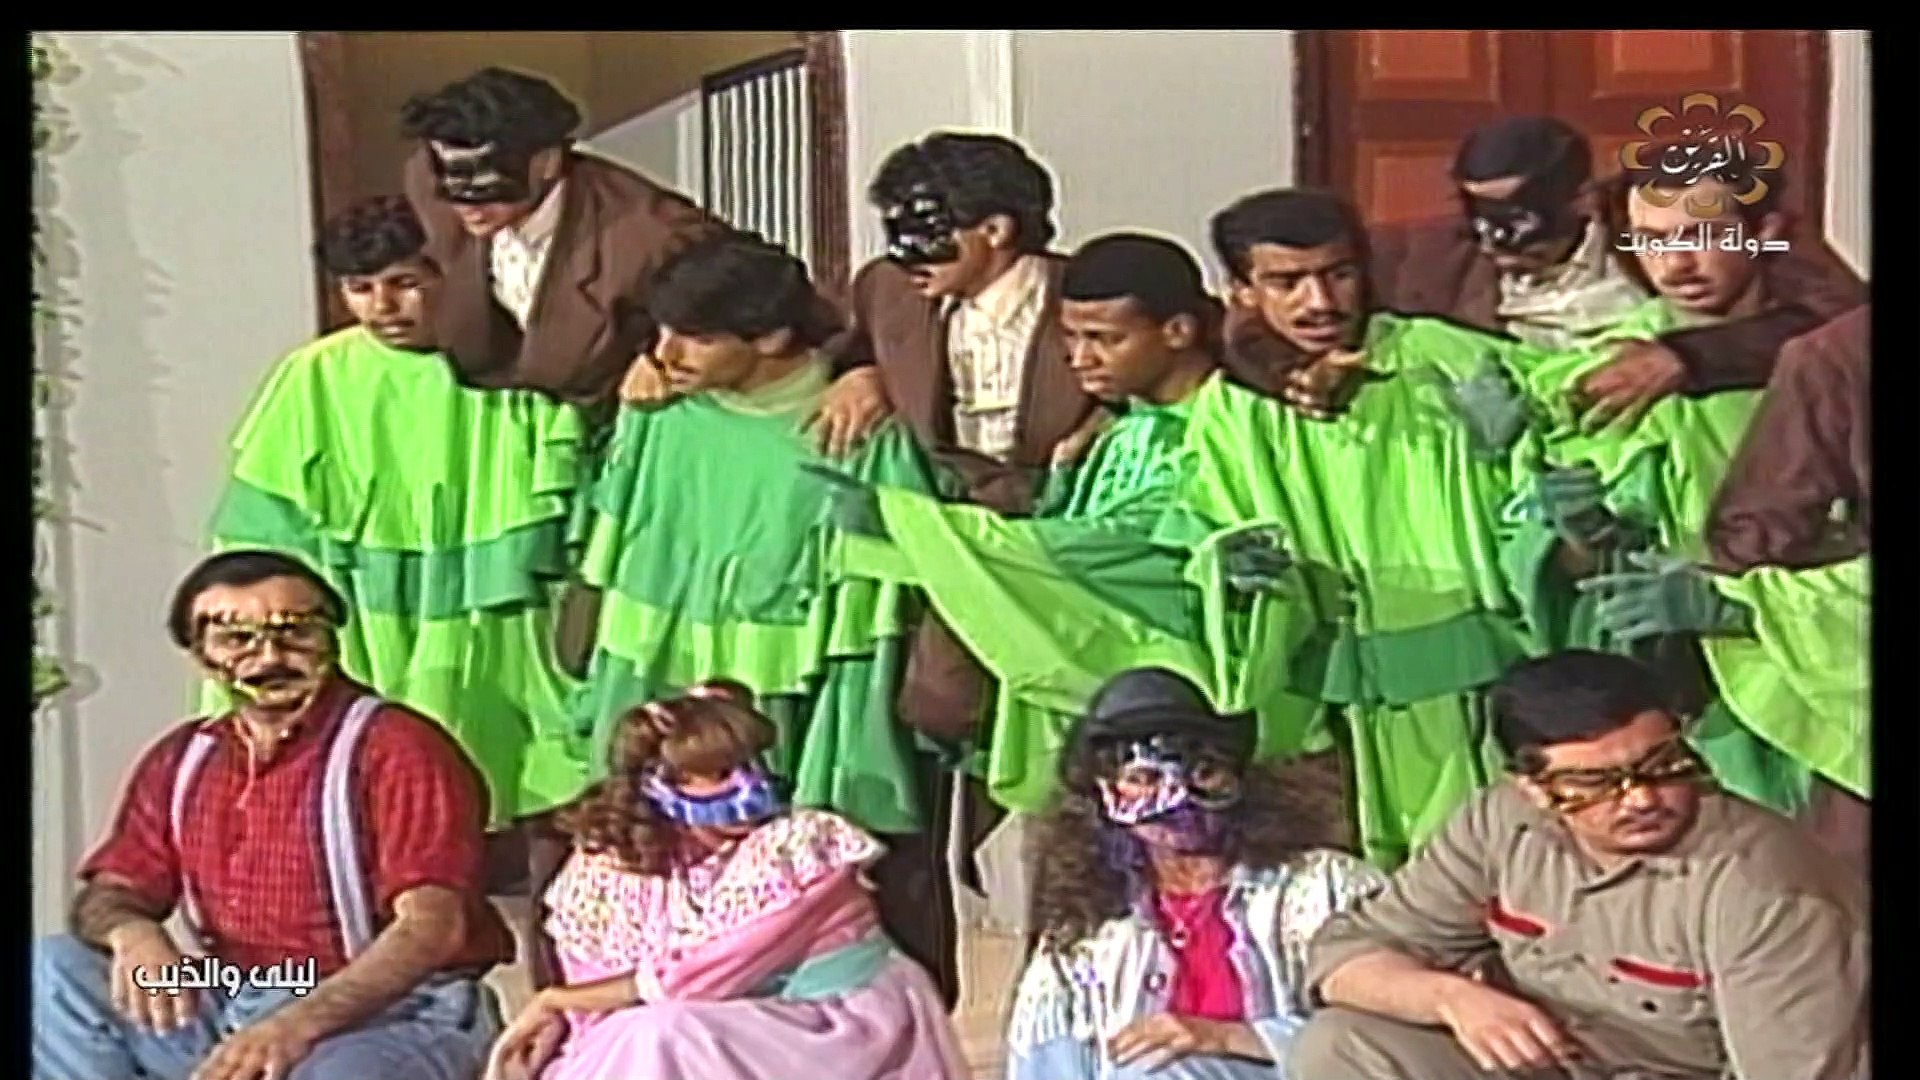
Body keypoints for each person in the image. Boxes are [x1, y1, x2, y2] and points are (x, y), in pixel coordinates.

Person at [554, 231, 945, 984]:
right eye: (662, 330)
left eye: (695, 336)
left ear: (769, 336)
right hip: (658, 693)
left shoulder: (856, 428)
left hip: (790, 706)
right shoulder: (658, 412)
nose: (666, 353)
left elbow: (879, 609)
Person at [822, 232, 1316, 816]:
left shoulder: (1233, 423)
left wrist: (918, 527)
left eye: (1105, 339)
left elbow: (1123, 551)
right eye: (1072, 338)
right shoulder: (1120, 430)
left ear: (1177, 331)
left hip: (1199, 711)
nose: (1080, 358)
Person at [814, 130, 1107, 997]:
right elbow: (840, 341)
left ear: (998, 230)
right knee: (914, 766)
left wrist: (1110, 422)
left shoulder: (1086, 293)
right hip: (935, 556)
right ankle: (913, 1009)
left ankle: (1067, 998)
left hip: (1055, 561)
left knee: (1065, 789)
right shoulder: (886, 292)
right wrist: (860, 372)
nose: (908, 256)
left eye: (927, 233)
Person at [34, 550, 512, 1080]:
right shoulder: (184, 758)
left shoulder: (398, 748)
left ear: (332, 637)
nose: (269, 656)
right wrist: (132, 933)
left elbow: (432, 927)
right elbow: (111, 891)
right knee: (57, 970)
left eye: (296, 633)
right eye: (236, 639)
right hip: (235, 993)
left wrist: (294, 1027)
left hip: (392, 1009)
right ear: (200, 656)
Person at [1291, 650, 1868, 1080]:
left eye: (1660, 765)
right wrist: (1453, 999)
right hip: (1558, 1066)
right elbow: (1345, 959)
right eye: (1596, 783)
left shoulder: (1766, 887)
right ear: (1532, 788)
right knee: (1342, 1044)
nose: (1641, 799)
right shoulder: (1500, 822)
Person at [1188, 188, 1546, 869]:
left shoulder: (1444, 359)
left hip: (1466, 673)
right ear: (1241, 292)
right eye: (1287, 282)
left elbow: (1569, 416)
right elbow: (1205, 520)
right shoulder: (1230, 408)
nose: (1320, 302)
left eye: (1339, 273)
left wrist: (1521, 440)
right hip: (1327, 689)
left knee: (1485, 866)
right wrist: (1224, 563)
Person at [207, 196, 580, 830]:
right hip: (359, 613)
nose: (383, 306)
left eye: (404, 283)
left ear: (450, 275)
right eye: (360, 288)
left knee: (506, 783)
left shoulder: (514, 366)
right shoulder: (314, 376)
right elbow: (260, 526)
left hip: (491, 611)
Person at [1488, 156, 1819, 816]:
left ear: (1766, 233)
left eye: (1704, 236)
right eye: (1653, 239)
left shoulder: (1829, 367)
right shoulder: (1601, 372)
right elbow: (1554, 567)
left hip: (1807, 684)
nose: (1676, 263)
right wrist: (1581, 537)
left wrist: (1742, 608)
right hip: (1668, 709)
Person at [1221, 115, 1863, 432]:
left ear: (1581, 199)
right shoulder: (1424, 257)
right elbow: (1256, 308)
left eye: (1519, 217)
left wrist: (1685, 357)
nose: (1496, 241)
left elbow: (1845, 320)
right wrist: (1292, 373)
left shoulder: (1667, 220)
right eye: (1478, 214)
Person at [484, 681, 968, 1080]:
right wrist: (565, 1026)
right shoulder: (611, 871)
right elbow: (596, 997)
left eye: (750, 765)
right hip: (724, 1028)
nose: (747, 784)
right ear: (659, 785)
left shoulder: (795, 851)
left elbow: (701, 977)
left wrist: (554, 999)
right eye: (720, 773)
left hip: (841, 1026)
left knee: (661, 1037)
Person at [1003, 667, 1383, 1079]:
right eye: (1143, 779)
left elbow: (1391, 1035)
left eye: (1202, 773)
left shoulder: (1326, 889)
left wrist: (1239, 1039)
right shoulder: (1083, 937)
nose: (1177, 798)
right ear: (1105, 793)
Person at [399, 66, 722, 413]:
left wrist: (660, 360)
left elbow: (741, 312)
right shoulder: (429, 186)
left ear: (547, 162)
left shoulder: (656, 235)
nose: (467, 206)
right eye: (453, 183)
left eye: (488, 187)